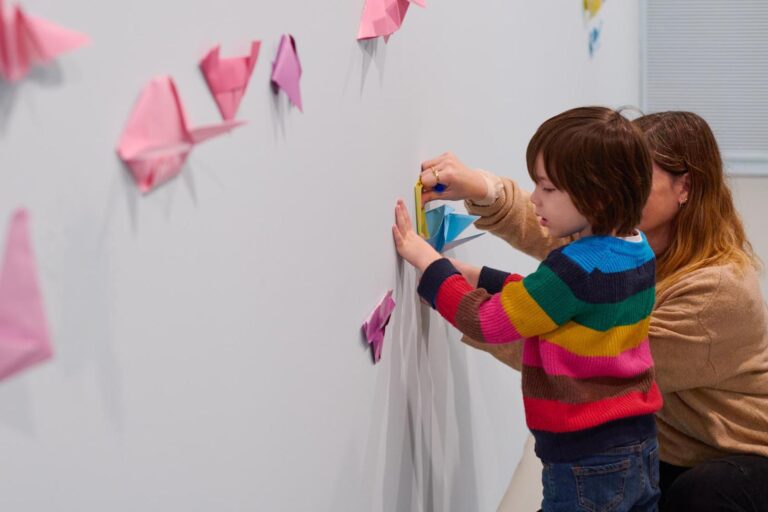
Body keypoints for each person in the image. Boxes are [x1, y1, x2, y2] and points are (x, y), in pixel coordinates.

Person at [418, 111, 768, 512]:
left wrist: (453, 292)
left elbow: (585, 358)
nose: (614, 189)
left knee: (699, 497)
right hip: (660, 445)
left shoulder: (718, 292)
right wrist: (486, 191)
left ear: (684, 186)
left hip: (738, 455)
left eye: (634, 177)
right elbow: (569, 250)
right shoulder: (634, 243)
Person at [393, 107, 662, 511]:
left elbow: (488, 322)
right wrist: (477, 276)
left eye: (548, 188)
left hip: (585, 456)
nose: (534, 198)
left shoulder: (575, 266)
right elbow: (557, 303)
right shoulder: (635, 248)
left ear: (599, 195)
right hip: (637, 441)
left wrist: (430, 267)